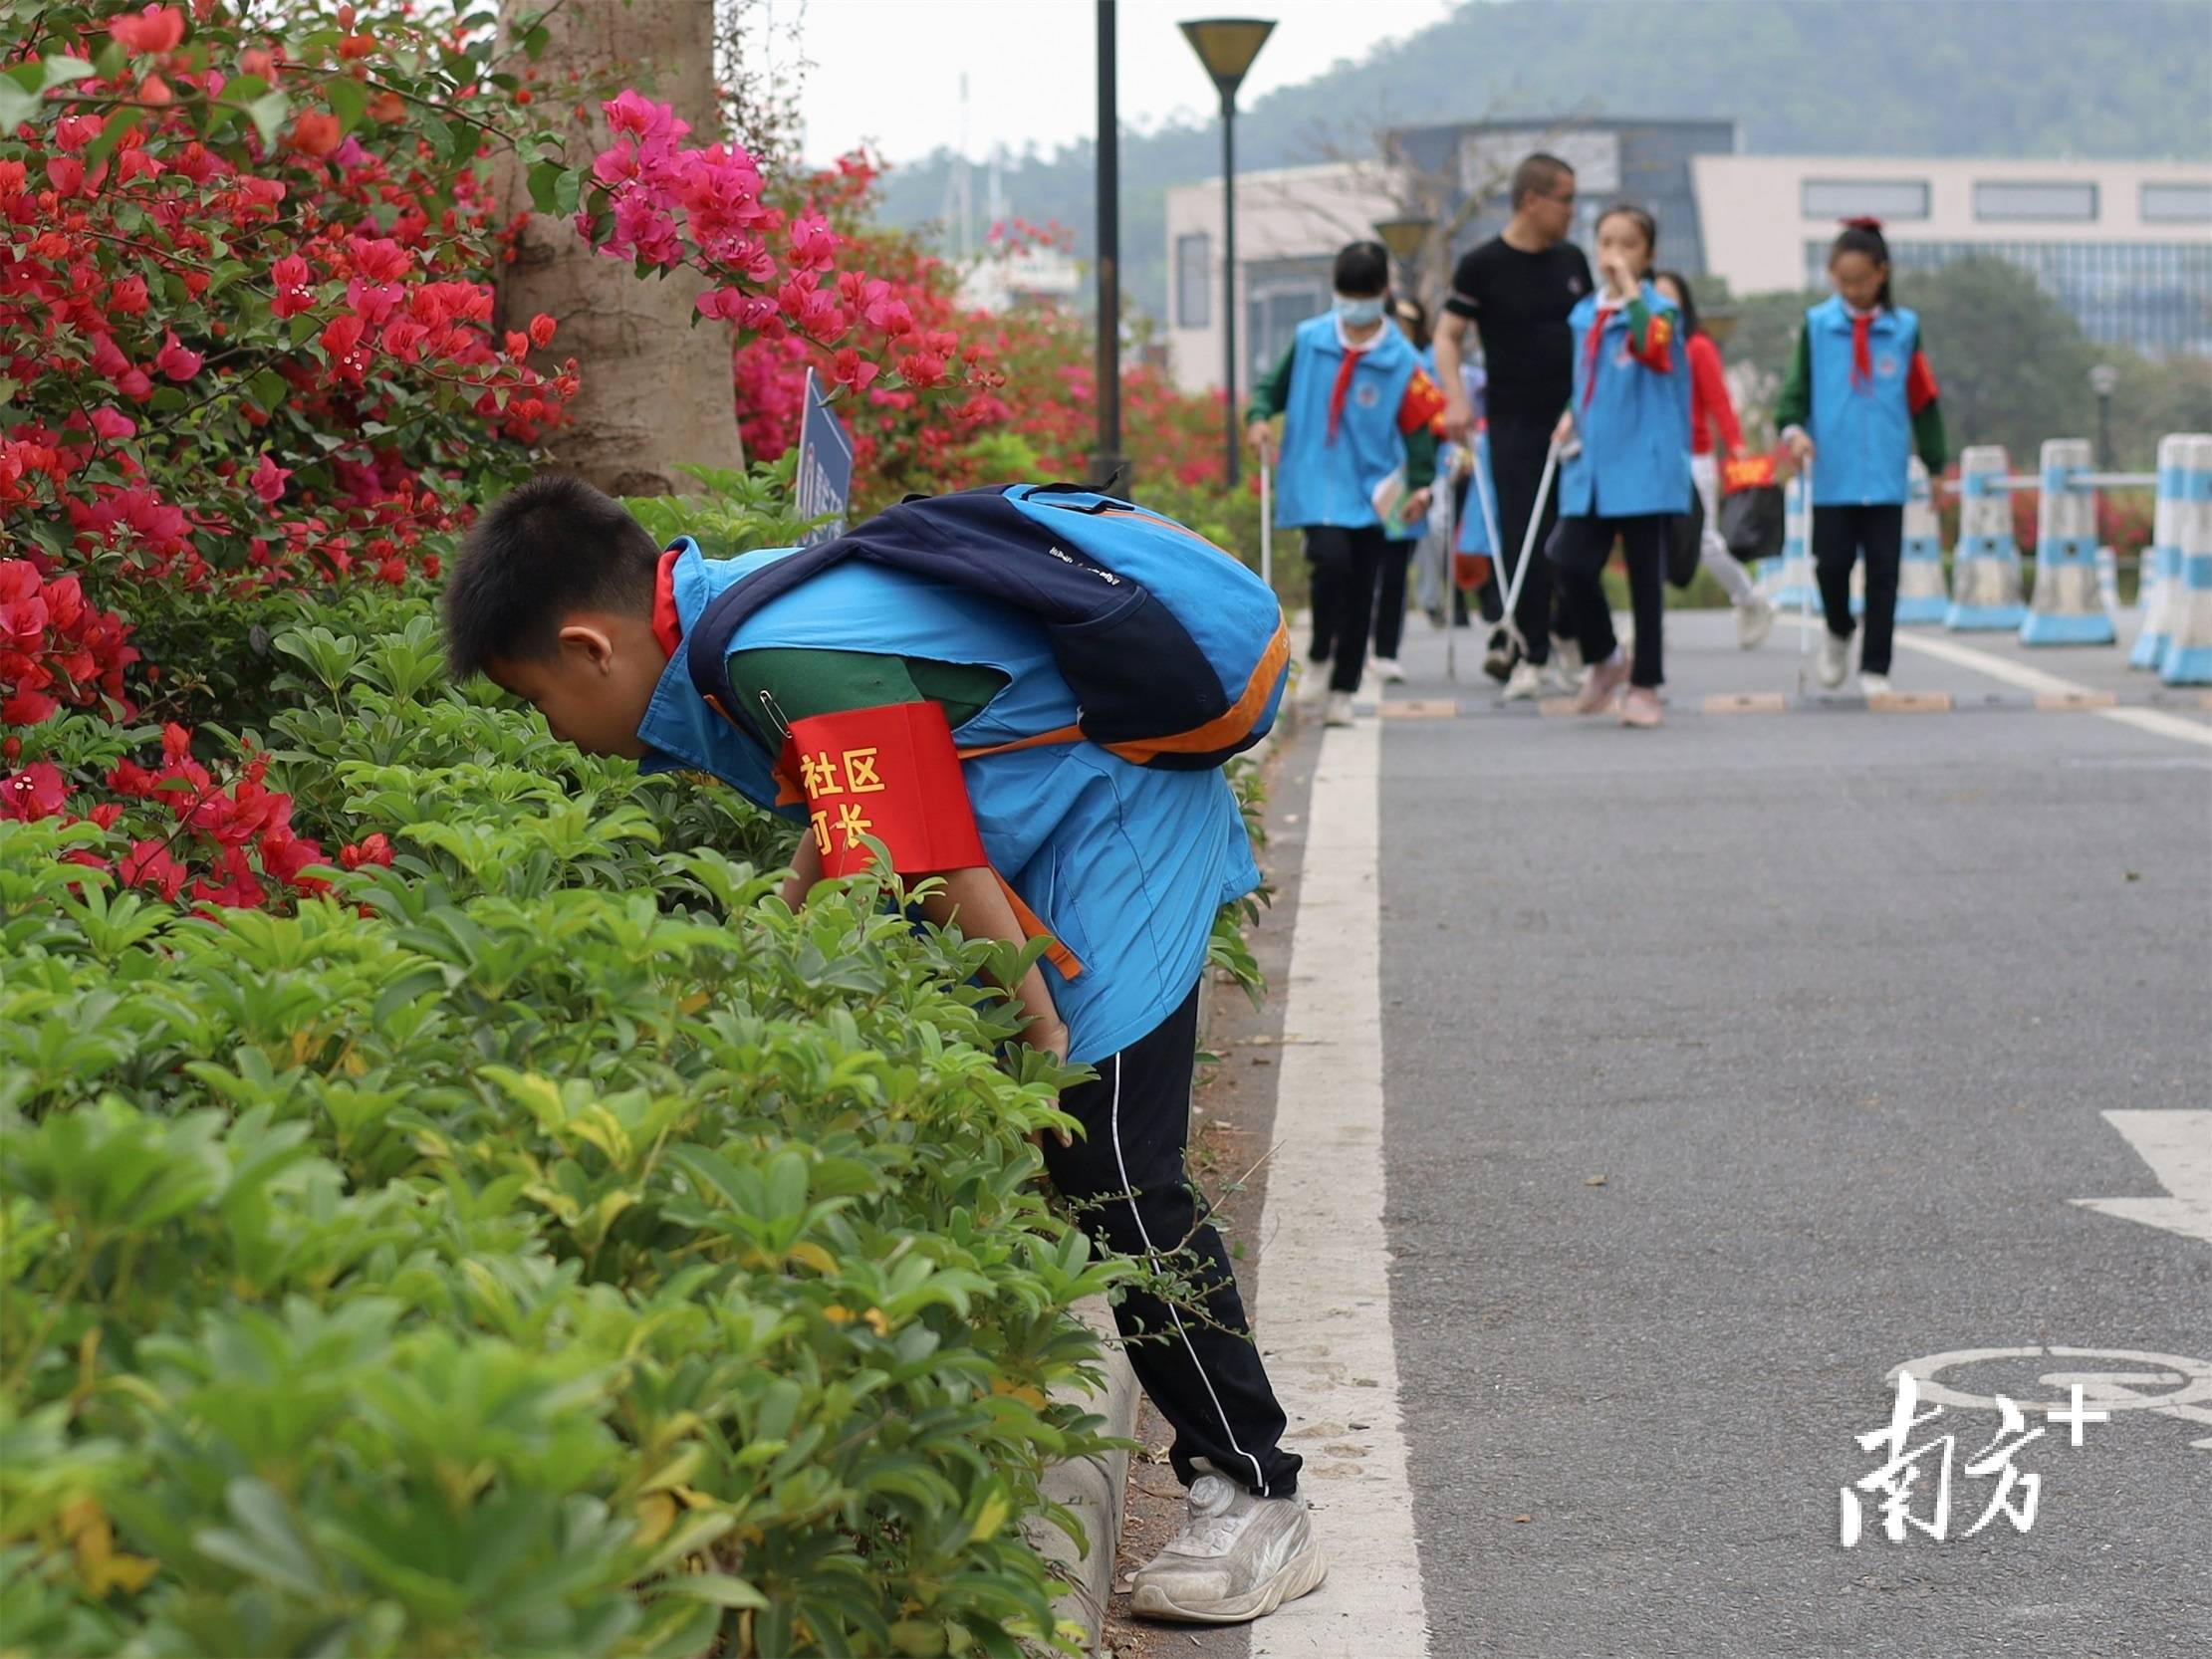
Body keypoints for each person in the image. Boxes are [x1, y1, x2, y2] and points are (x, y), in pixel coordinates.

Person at [441, 473, 1327, 1625]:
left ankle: (1255, 1492)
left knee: (1110, 1163)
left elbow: (937, 857)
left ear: (588, 647)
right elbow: (861, 789)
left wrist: (1037, 1037)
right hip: (1076, 822)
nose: (554, 729)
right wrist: (784, 921)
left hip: (1116, 823)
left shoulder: (762, 651)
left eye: (538, 700)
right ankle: (1238, 1471)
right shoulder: (741, 621)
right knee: (1094, 1158)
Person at [1247, 241, 1441, 725]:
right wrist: (1259, 417)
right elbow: (1272, 386)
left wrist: (1421, 486)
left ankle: (1342, 690)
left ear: (1381, 293)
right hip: (1315, 479)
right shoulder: (1311, 338)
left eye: (1362, 294)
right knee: (1329, 561)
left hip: (1373, 491)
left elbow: (1420, 431)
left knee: (1362, 586)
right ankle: (1318, 657)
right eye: (1345, 293)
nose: (1353, 305)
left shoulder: (1402, 359)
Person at [1435, 151, 1595, 701]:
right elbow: (1447, 335)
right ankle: (1532, 650)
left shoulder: (1574, 260)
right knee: (1523, 533)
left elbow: (1595, 335)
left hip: (1577, 419)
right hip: (1513, 421)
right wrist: (1456, 399)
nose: (1574, 211)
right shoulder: (1482, 265)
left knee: (1577, 534)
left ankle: (1574, 635)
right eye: (1566, 199)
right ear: (1532, 200)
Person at [1776, 218, 1948, 695]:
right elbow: (1793, 397)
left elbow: (1923, 399)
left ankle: (1876, 667)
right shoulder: (1816, 327)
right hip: (1833, 471)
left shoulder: (1904, 329)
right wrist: (1794, 433)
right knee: (1830, 565)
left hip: (1885, 473)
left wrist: (1935, 464)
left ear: (1882, 274)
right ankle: (1838, 630)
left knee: (1884, 574)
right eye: (1842, 281)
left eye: (1861, 280)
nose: (1852, 290)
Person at [1549, 203, 1689, 729]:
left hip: (1644, 464)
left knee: (1645, 584)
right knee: (1566, 560)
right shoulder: (1585, 313)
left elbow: (1652, 349)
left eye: (1627, 244)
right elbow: (1587, 381)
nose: (1614, 255)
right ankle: (1606, 657)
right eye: (1606, 243)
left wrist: (1631, 289)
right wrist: (1569, 414)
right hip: (1592, 463)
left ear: (1648, 254)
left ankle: (1645, 683)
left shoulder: (1658, 309)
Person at [1650, 270, 1776, 649]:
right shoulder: (1644, 347)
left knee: (1702, 540)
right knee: (1648, 538)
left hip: (1694, 456)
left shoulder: (1697, 347)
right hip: (1652, 455)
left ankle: (1751, 600)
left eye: (1670, 299)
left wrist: (1736, 444)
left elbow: (1718, 398)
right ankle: (1649, 626)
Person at [1368, 294, 1438, 684]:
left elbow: (1435, 426)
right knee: (1360, 568)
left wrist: (1424, 482)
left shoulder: (1420, 366)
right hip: (1364, 479)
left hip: (1403, 480)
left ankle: (1386, 650)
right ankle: (1358, 645)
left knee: (1394, 570)